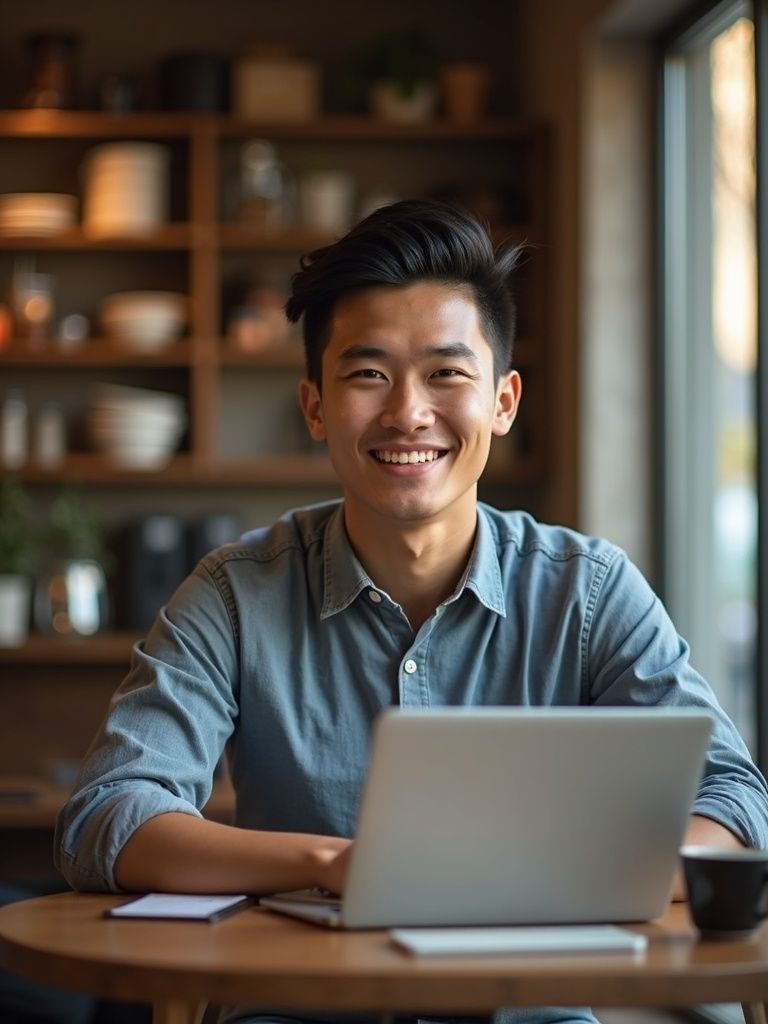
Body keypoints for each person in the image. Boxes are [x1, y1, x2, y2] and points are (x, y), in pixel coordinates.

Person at [56, 200, 768, 1024]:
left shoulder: (590, 589)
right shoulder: (233, 592)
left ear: (502, 401)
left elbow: (732, 796)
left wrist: (583, 876)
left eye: (446, 372)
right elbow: (109, 816)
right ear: (316, 406)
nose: (408, 412)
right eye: (368, 373)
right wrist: (339, 862)